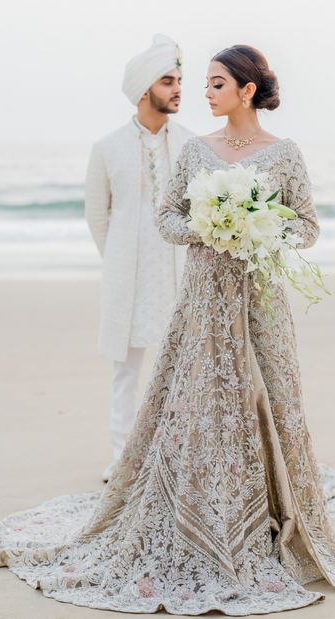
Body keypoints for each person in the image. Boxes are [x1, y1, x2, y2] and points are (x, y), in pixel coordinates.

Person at [0, 44, 335, 614]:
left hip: (262, 297)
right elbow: (167, 218)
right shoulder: (196, 152)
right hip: (203, 299)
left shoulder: (285, 154)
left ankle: (273, 516)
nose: (205, 93)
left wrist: (258, 230)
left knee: (268, 395)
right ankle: (198, 515)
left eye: (216, 84)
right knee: (205, 402)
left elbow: (307, 227)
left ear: (246, 91)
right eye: (203, 84)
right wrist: (212, 228)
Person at [84, 34, 197, 482]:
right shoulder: (107, 148)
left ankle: (177, 456)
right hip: (128, 277)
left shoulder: (191, 144)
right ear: (144, 88)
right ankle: (122, 458)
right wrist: (118, 263)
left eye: (179, 80)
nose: (177, 89)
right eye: (167, 81)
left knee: (182, 370)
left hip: (179, 272)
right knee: (126, 371)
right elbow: (98, 217)